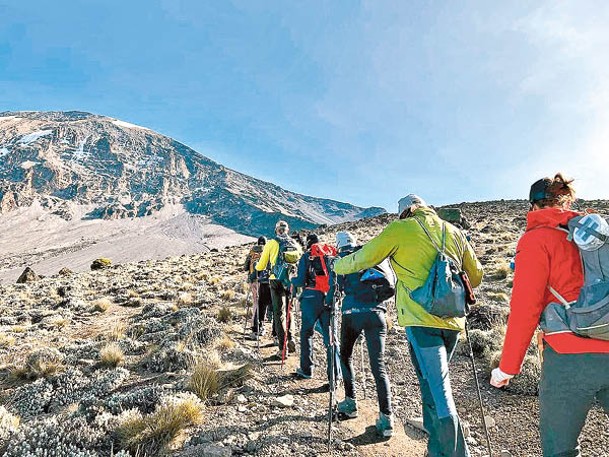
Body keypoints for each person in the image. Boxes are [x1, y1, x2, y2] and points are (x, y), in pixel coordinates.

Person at [333, 194, 483, 456]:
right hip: (453, 320)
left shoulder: (400, 229)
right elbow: (477, 276)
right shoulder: (453, 232)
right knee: (430, 384)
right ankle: (436, 449)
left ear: (404, 213)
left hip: (420, 318)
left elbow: (363, 258)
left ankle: (458, 453)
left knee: (439, 391)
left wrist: (337, 265)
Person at [490, 173, 609, 457]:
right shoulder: (596, 238)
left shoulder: (536, 239)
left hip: (569, 359)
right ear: (567, 201)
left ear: (533, 206)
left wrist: (507, 367)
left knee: (560, 450)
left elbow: (525, 308)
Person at [329, 231, 396, 438]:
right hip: (378, 314)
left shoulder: (341, 260)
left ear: (338, 245)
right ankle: (386, 419)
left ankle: (350, 403)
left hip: (352, 314)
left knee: (345, 356)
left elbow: (335, 290)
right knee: (379, 366)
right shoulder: (368, 255)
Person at [291, 233, 335, 382]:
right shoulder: (328, 255)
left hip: (310, 298)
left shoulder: (306, 256)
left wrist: (292, 279)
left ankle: (306, 369)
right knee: (330, 338)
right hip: (328, 297)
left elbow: (301, 280)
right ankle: (334, 376)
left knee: (307, 333)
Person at [255, 220, 302, 357]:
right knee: (289, 311)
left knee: (278, 313)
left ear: (276, 230)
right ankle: (291, 338)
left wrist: (258, 266)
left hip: (275, 280)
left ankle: (283, 348)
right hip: (290, 280)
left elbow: (262, 265)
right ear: (287, 230)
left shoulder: (271, 243)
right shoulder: (294, 244)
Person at [243, 236, 272, 339]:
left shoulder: (252, 251)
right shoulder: (267, 251)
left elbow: (245, 266)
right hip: (263, 280)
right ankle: (260, 325)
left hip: (253, 280)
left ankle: (253, 324)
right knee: (262, 303)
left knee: (256, 302)